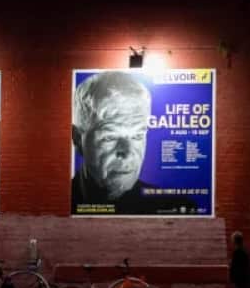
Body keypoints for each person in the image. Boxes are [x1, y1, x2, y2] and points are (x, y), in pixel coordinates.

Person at [70, 71, 194, 215]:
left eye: (137, 136)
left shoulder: (175, 208)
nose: (128, 152)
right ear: (78, 139)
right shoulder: (60, 202)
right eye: (110, 137)